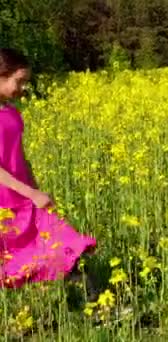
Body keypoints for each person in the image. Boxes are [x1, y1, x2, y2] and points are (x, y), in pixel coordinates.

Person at [0, 48, 97, 294]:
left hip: (24, 200)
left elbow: (20, 157)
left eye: (25, 82)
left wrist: (35, 191)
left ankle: (99, 309)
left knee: (65, 244)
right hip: (5, 207)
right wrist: (31, 193)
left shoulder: (11, 112)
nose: (22, 89)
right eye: (18, 81)